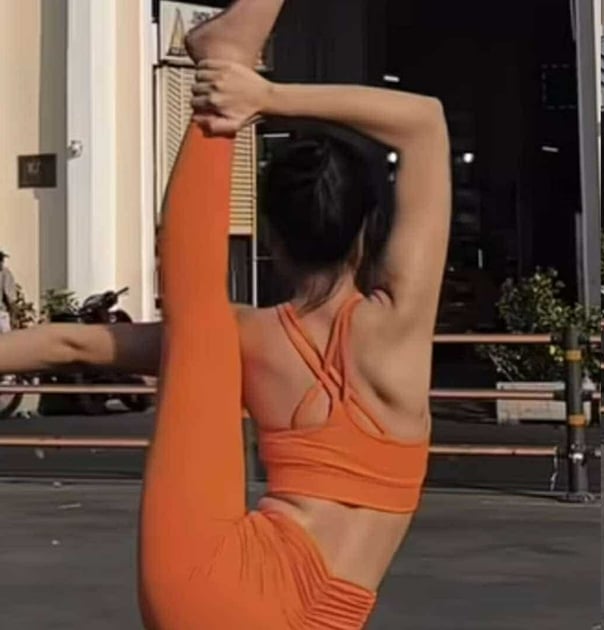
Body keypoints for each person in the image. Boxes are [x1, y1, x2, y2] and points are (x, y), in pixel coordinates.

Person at [0, 1, 449, 626]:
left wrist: (256, 95)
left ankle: (227, 61)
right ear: (368, 230)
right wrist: (268, 97)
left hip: (239, 580)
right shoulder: (398, 329)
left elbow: (70, 347)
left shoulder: (244, 338)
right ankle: (227, 59)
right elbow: (425, 121)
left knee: (197, 321)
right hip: (317, 613)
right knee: (199, 328)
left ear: (268, 235)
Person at [0, 252, 22, 334]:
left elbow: (10, 297)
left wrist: (14, 317)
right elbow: (11, 297)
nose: (2, 263)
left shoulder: (4, 273)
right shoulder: (4, 273)